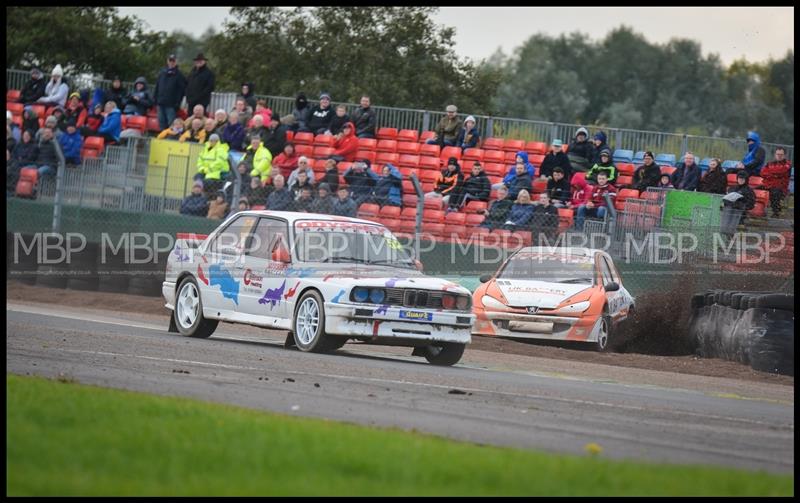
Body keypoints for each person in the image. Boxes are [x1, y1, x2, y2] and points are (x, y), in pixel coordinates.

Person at [154, 54, 187, 130]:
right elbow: (157, 86)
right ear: (167, 61)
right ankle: (162, 138)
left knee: (171, 124)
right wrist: (155, 100)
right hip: (160, 103)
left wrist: (177, 103)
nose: (171, 62)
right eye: (170, 61)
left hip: (171, 105)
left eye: (173, 61)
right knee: (161, 123)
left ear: (176, 62)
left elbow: (181, 91)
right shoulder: (162, 73)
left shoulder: (179, 75)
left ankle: (170, 138)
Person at [759, 146, 792, 218]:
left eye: (781, 154)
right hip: (767, 185)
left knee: (775, 192)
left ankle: (776, 213)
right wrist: (774, 175)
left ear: (784, 155)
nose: (779, 156)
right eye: (778, 154)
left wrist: (770, 174)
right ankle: (756, 211)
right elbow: (762, 173)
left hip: (780, 188)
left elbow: (780, 172)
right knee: (752, 190)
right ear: (775, 155)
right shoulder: (769, 163)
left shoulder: (788, 164)